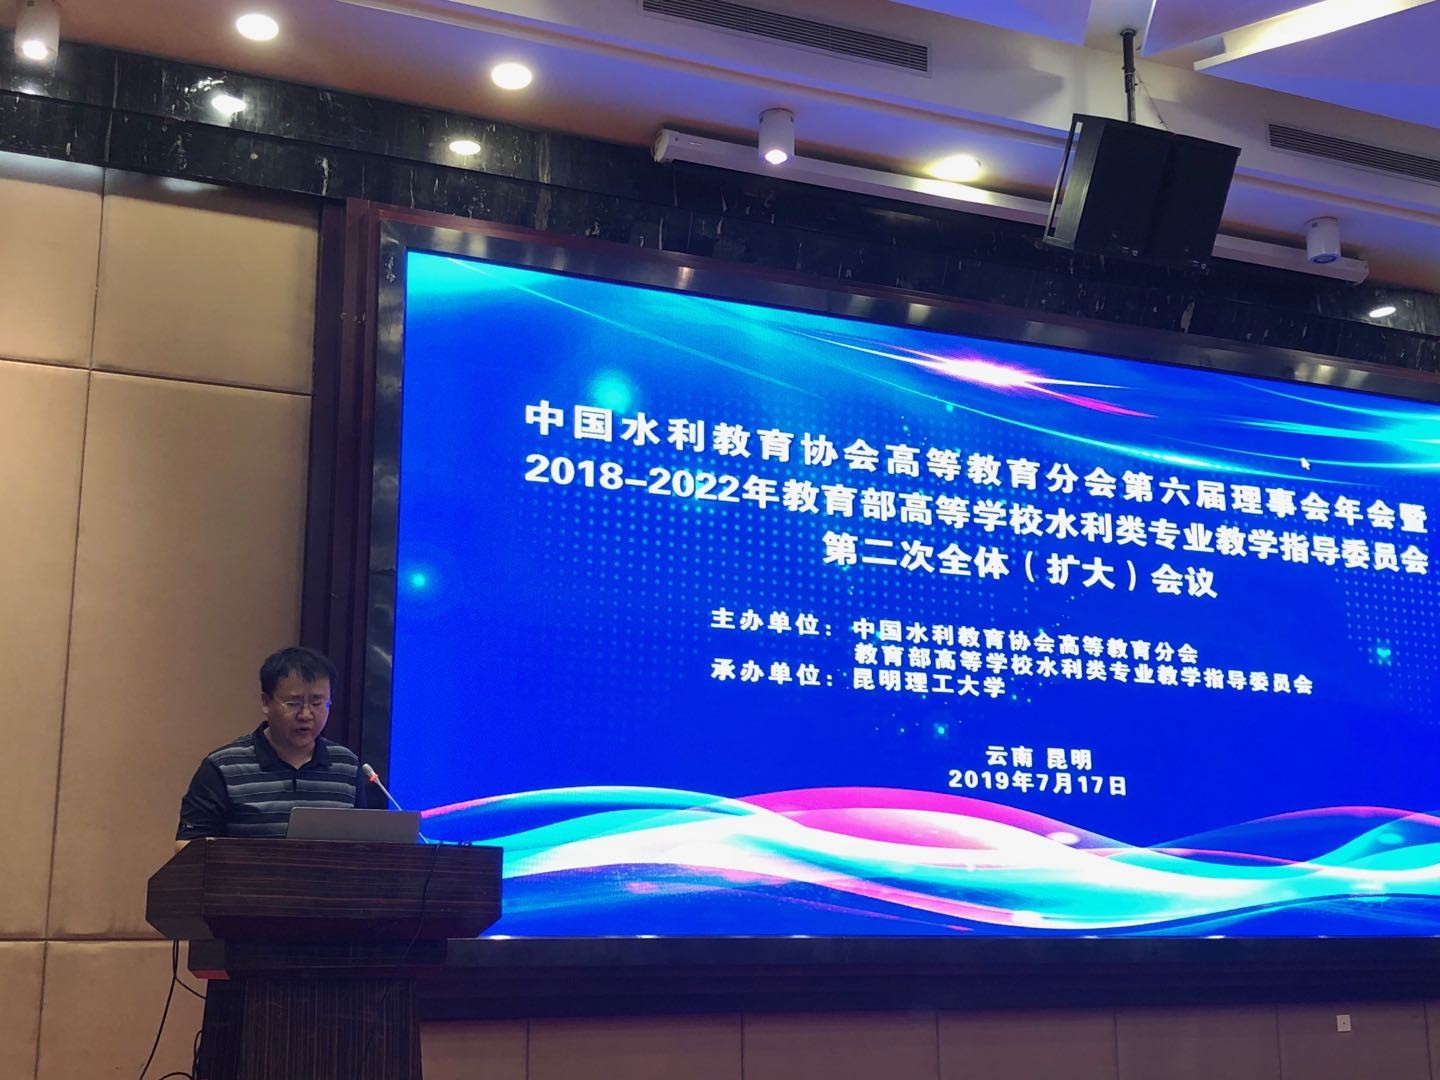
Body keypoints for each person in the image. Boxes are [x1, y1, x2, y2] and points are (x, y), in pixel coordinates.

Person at [176, 646, 363, 842]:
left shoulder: (347, 766)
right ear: (266, 702)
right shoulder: (223, 767)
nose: (306, 715)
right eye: (293, 703)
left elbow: (363, 844)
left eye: (317, 703)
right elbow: (188, 846)